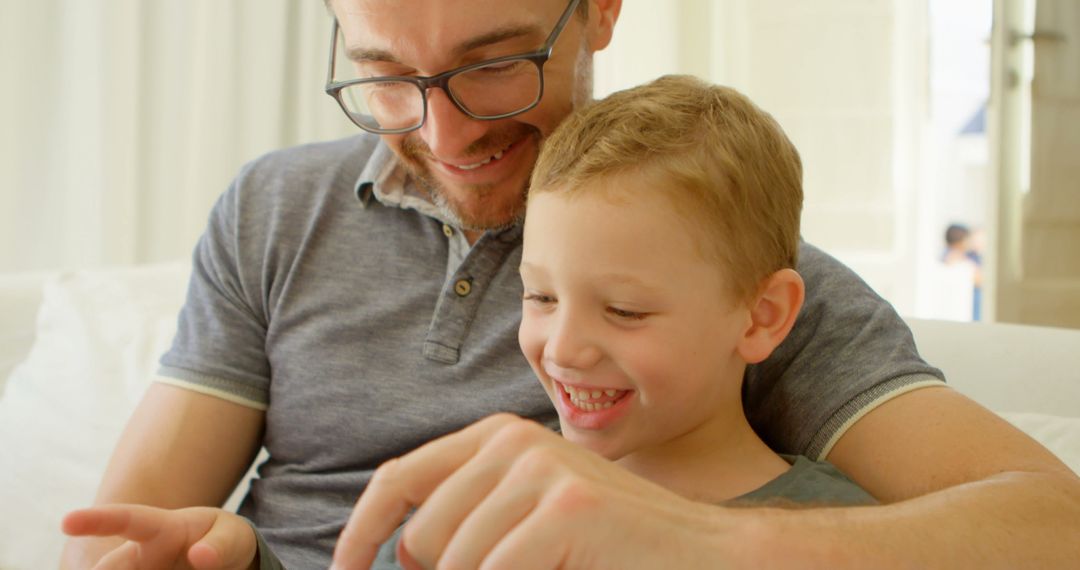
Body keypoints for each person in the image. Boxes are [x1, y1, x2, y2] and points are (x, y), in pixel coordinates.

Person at [60, 0, 1080, 568]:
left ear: (598, 11)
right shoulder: (272, 210)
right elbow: (122, 535)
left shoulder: (720, 272)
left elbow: (1054, 524)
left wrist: (702, 543)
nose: (443, 134)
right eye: (385, 74)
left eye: (492, 65)